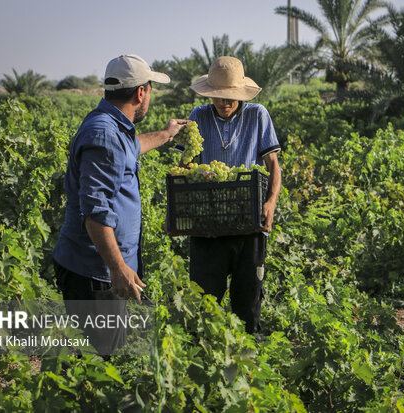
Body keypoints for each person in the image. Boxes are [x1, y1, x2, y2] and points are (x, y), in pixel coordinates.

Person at [52, 54, 188, 354]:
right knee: (101, 362)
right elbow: (95, 212)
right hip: (95, 273)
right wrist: (118, 268)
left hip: (100, 270)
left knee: (102, 357)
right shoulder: (104, 134)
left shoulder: (113, 126)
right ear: (141, 92)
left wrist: (166, 135)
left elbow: (131, 147)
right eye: (150, 89)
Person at [180, 56, 282, 335]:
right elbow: (185, 165)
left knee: (248, 302)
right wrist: (192, 173)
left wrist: (270, 203)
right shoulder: (198, 117)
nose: (224, 104)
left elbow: (273, 165)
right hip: (208, 223)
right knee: (204, 301)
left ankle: (248, 362)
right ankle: (204, 357)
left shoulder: (257, 115)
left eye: (230, 98)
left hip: (248, 220)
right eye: (217, 98)